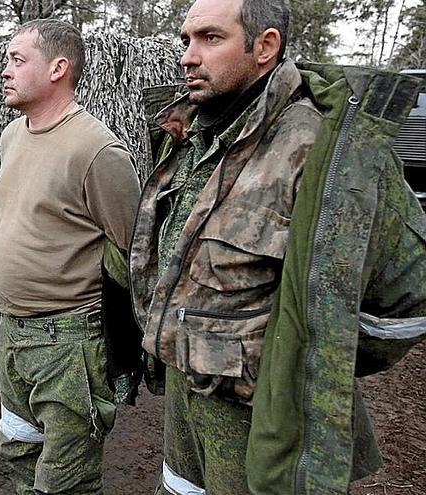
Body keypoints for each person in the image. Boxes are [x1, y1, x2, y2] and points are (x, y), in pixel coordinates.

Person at [128, 0, 426, 493]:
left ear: (265, 46)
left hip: (262, 423)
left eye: (210, 38)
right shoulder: (193, 133)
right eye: (185, 40)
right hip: (185, 401)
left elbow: (410, 297)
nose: (187, 55)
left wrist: (306, 358)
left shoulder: (324, 151)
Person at [0, 19, 141, 494]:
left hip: (67, 343)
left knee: (65, 479)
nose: (4, 71)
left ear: (58, 68)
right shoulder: (13, 134)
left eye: (17, 60)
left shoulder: (97, 150)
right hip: (10, 331)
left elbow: (132, 246)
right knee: (19, 448)